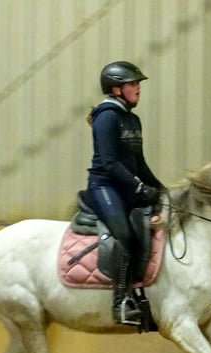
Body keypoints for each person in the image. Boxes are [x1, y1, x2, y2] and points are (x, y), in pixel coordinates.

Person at [80, 61, 166, 326]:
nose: (138, 88)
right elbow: (109, 163)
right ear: (116, 89)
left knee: (145, 227)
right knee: (125, 235)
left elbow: (139, 163)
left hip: (125, 186)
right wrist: (140, 187)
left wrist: (162, 190)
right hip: (104, 187)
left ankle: (141, 295)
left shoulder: (132, 119)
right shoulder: (106, 117)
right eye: (133, 84)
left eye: (138, 84)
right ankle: (120, 303)